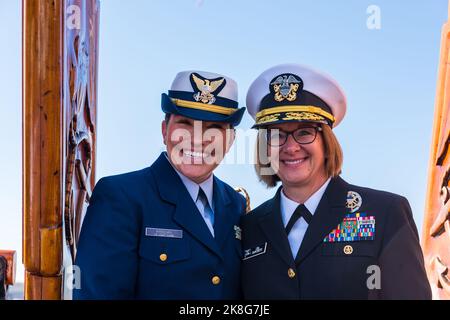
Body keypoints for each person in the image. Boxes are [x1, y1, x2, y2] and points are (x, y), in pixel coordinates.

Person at [241, 63, 431, 299]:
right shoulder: (248, 228)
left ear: (326, 141)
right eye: (276, 135)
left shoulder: (385, 213)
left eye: (304, 132)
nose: (290, 147)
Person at [74, 70, 246, 299]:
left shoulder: (236, 205)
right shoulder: (121, 196)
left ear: (231, 140)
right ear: (165, 131)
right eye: (185, 123)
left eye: (213, 128)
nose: (196, 139)